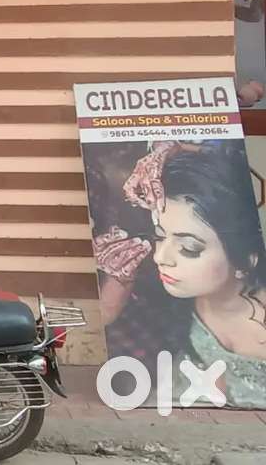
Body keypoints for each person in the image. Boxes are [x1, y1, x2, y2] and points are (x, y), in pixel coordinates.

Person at [96, 143, 266, 406]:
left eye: (189, 248)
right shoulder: (157, 314)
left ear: (245, 260)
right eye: (159, 238)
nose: (160, 257)